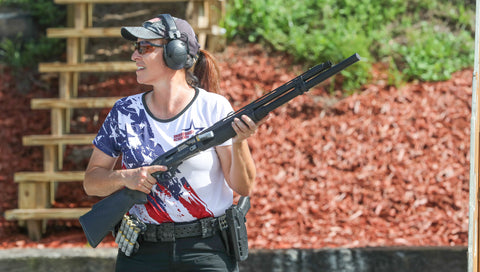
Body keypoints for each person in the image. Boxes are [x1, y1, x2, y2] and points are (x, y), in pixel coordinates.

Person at [83, 13, 267, 272]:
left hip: (206, 250)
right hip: (142, 251)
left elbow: (243, 186)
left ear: (176, 52)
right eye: (136, 48)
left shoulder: (213, 108)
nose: (135, 56)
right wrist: (126, 178)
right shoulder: (124, 112)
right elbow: (92, 182)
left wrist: (239, 143)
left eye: (144, 48)